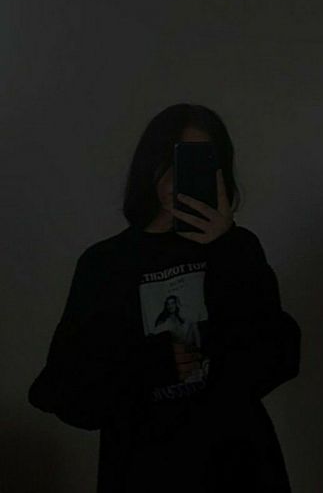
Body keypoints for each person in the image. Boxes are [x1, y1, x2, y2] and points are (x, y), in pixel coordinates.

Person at [28, 103, 301, 492]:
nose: (178, 175)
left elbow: (278, 359)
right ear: (149, 164)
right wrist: (142, 365)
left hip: (241, 467)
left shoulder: (238, 249)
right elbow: (70, 394)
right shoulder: (105, 264)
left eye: (195, 161)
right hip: (143, 470)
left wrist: (227, 250)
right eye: (170, 158)